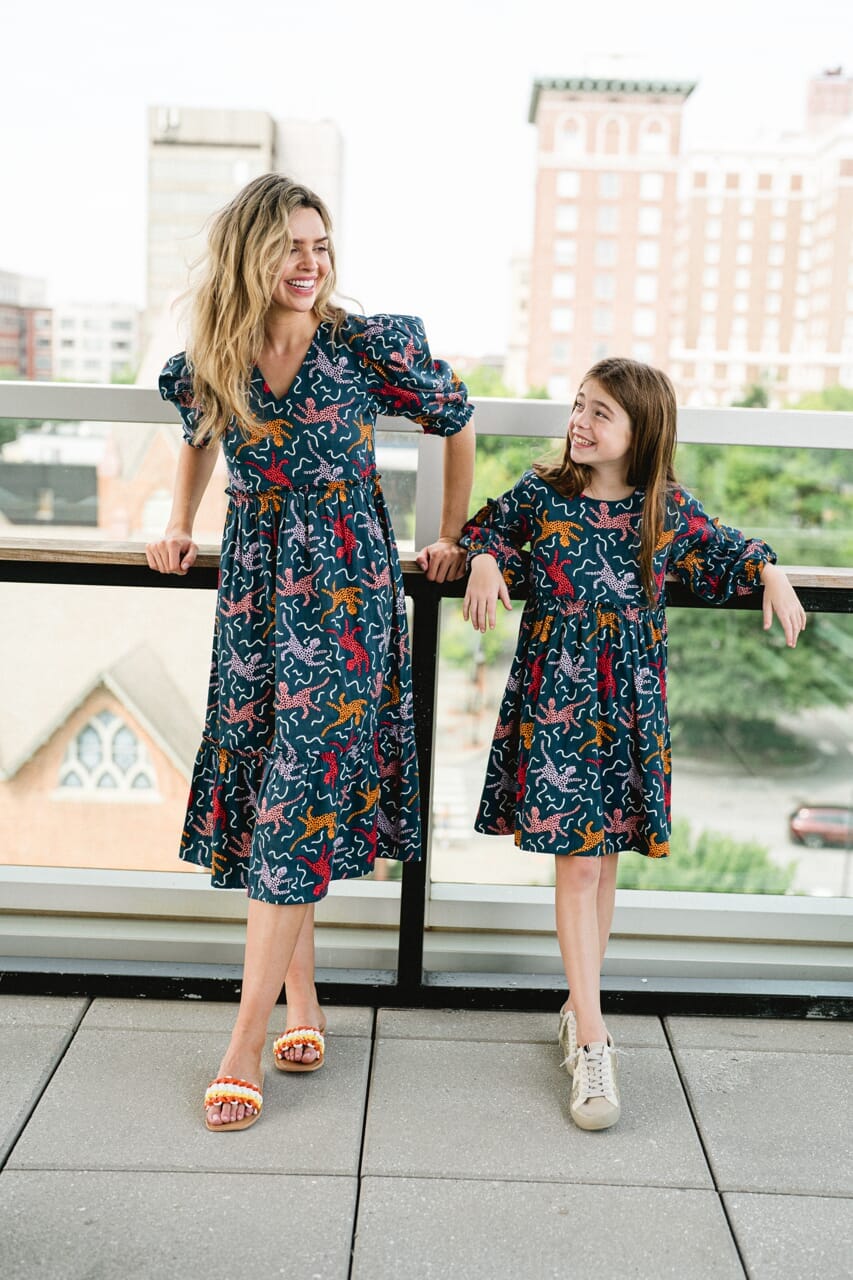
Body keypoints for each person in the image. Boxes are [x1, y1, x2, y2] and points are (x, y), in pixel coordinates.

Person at [148, 174, 474, 1131]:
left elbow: (455, 420)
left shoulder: (365, 346)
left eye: (321, 246)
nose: (309, 263)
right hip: (252, 585)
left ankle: (240, 1043)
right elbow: (200, 437)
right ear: (253, 252)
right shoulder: (213, 355)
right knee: (266, 784)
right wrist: (175, 522)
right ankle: (303, 1000)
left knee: (297, 795)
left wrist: (444, 535)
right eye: (292, 246)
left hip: (345, 589)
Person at [459, 357, 805, 1131]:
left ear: (638, 430)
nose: (579, 422)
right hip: (556, 711)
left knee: (602, 864)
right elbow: (487, 527)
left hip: (628, 713)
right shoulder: (544, 496)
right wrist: (484, 557)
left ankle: (579, 1010)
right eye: (578, 406)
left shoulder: (663, 510)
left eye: (599, 413)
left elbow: (729, 551)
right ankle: (592, 1037)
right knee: (579, 866)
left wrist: (773, 575)